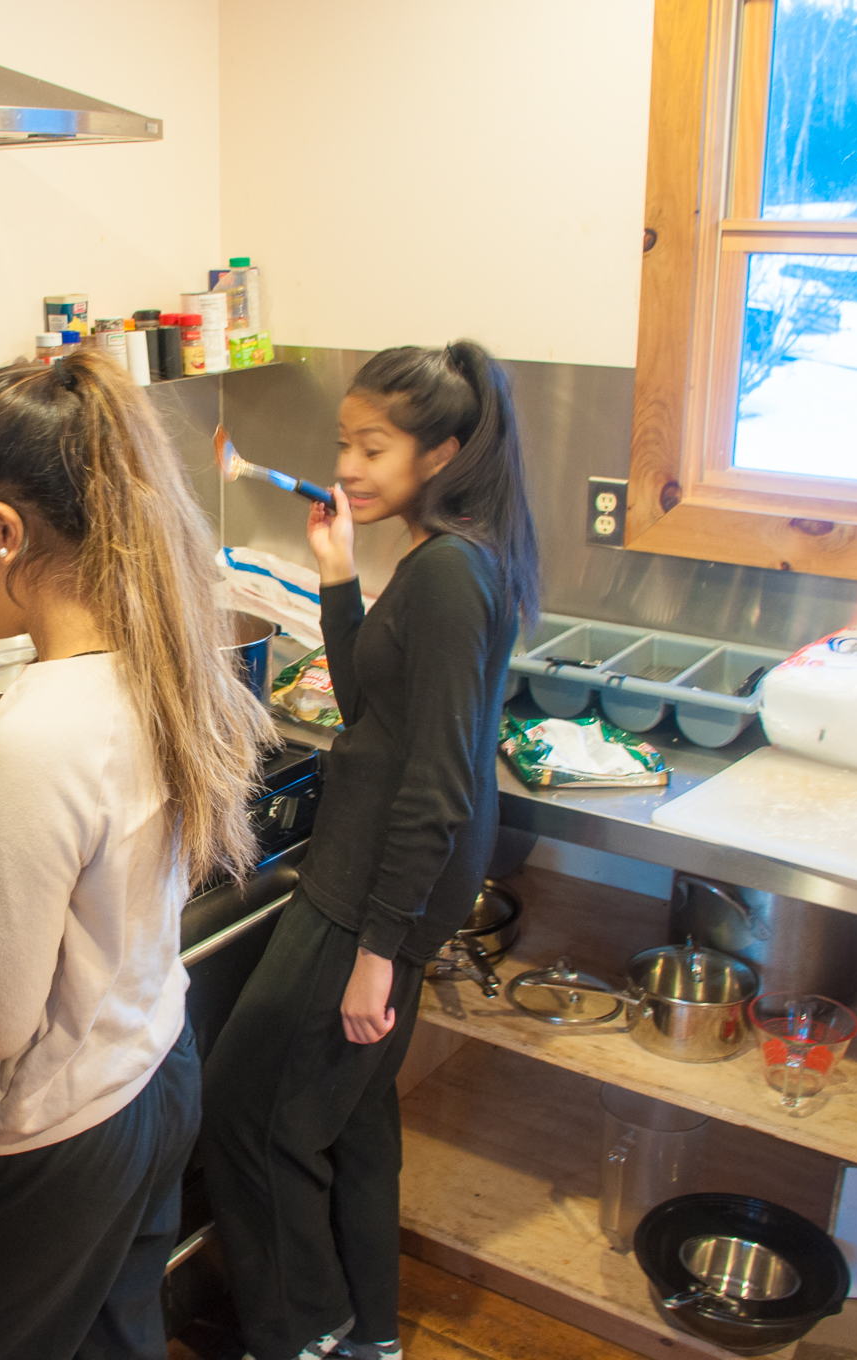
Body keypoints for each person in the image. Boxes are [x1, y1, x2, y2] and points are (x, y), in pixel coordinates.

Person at [0, 349, 272, 1360]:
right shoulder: (155, 657)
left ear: (2, 532)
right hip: (152, 1072)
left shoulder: (39, 734)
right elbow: (93, 841)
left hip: (48, 1140)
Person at [201, 342, 540, 1360]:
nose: (346, 466)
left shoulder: (449, 576)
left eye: (373, 447)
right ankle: (368, 1335)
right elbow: (366, 704)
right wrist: (338, 575)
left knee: (249, 1115)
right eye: (343, 442)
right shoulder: (443, 556)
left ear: (441, 453)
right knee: (350, 1119)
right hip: (378, 881)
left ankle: (301, 1332)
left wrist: (377, 950)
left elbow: (436, 782)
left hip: (367, 891)